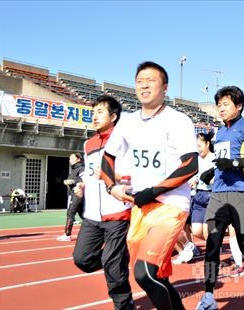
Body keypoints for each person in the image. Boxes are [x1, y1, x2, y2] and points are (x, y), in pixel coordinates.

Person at [101, 61, 198, 309]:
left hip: (171, 204)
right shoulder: (127, 122)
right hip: (140, 208)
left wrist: (153, 191)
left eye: (151, 81)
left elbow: (190, 165)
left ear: (165, 87)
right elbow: (108, 157)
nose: (144, 85)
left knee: (144, 273)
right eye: (139, 81)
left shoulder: (178, 120)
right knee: (155, 276)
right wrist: (112, 187)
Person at [196, 86, 244, 310]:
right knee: (212, 245)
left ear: (238, 106)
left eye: (226, 104)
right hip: (218, 194)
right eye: (219, 105)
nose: (221, 108)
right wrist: (213, 171)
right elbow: (223, 159)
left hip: (242, 192)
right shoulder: (220, 132)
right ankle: (208, 297)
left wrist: (235, 164)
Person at [72, 95, 134, 309]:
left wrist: (113, 176)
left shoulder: (126, 141)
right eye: (93, 112)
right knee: (82, 259)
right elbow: (90, 175)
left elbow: (137, 174)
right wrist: (83, 186)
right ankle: (115, 259)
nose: (95, 116)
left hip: (117, 211)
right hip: (92, 215)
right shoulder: (89, 143)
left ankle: (124, 305)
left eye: (100, 112)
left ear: (114, 116)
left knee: (113, 269)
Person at [173, 131, 215, 264]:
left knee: (207, 231)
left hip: (211, 196)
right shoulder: (196, 160)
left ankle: (213, 253)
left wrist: (211, 180)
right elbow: (194, 174)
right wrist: (195, 180)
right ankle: (216, 241)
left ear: (207, 144)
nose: (198, 149)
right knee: (196, 231)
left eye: (200, 145)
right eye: (196, 146)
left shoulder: (215, 158)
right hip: (198, 196)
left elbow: (219, 178)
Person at [56, 153, 84, 241]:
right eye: (69, 158)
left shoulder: (82, 168)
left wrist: (73, 181)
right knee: (84, 215)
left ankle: (67, 235)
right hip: (73, 194)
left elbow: (83, 180)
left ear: (78, 159)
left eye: (72, 158)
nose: (70, 160)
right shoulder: (73, 169)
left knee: (70, 213)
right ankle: (99, 230)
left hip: (78, 194)